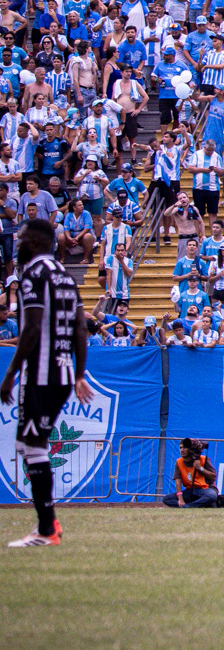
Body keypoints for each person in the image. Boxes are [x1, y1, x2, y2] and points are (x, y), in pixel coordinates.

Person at [1, 217, 88, 546]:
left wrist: (9, 374)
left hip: (42, 371)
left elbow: (32, 328)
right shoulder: (66, 276)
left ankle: (47, 528)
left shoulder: (33, 275)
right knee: (26, 444)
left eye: (22, 238)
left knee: (33, 446)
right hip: (62, 371)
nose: (18, 243)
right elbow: (80, 327)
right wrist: (79, 373)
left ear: (35, 242)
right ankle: (48, 524)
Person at [164, 437, 224, 508]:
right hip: (190, 490)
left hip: (205, 489)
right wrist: (180, 499)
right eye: (181, 448)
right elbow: (178, 482)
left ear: (191, 449)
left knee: (211, 496)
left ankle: (188, 507)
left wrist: (200, 468)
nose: (182, 450)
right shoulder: (179, 462)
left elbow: (213, 477)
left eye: (185, 448)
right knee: (167, 499)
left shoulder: (203, 460)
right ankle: (196, 505)